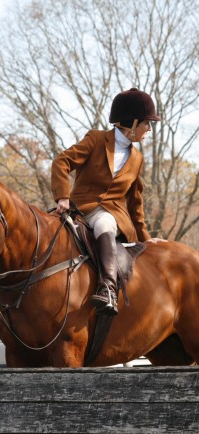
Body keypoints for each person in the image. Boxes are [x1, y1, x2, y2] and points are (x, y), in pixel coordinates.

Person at [51, 87, 165, 316]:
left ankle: (108, 288)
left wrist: (145, 238)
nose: (149, 130)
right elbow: (61, 162)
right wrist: (62, 196)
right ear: (132, 123)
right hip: (79, 208)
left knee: (105, 223)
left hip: (110, 215)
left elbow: (135, 204)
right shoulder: (95, 139)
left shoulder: (137, 158)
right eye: (147, 124)